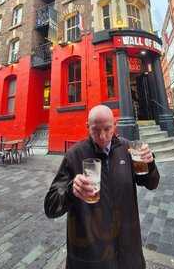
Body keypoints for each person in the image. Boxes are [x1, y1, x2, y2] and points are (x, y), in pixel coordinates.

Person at [44, 105, 160, 269]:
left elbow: (152, 183)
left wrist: (150, 164)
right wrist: (71, 191)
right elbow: (51, 207)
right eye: (95, 130)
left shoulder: (128, 149)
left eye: (107, 128)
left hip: (127, 252)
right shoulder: (74, 155)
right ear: (87, 127)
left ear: (115, 125)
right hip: (90, 256)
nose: (102, 136)